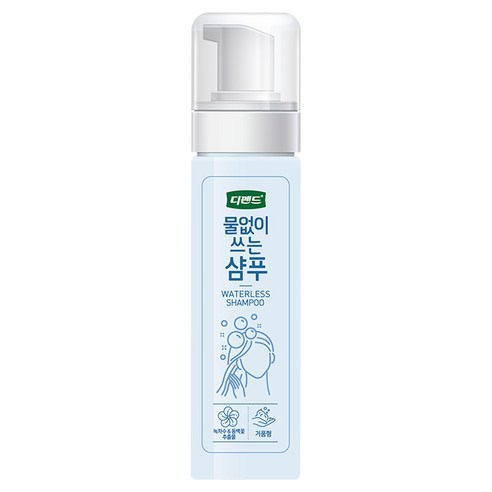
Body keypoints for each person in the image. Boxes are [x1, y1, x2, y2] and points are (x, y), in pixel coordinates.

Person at [216, 317, 275, 398]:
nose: (257, 362)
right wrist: (239, 397)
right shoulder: (238, 391)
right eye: (250, 359)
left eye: (261, 356)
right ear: (239, 363)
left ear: (272, 357)